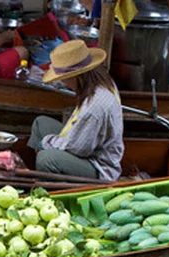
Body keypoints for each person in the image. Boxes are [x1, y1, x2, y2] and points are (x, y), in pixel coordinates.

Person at [27, 40, 124, 181]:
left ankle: (44, 183)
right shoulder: (101, 80)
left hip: (98, 166)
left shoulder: (94, 107)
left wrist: (46, 143)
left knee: (45, 158)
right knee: (40, 123)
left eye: (64, 79)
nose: (63, 83)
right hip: (87, 146)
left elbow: (78, 148)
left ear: (76, 76)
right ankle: (33, 173)